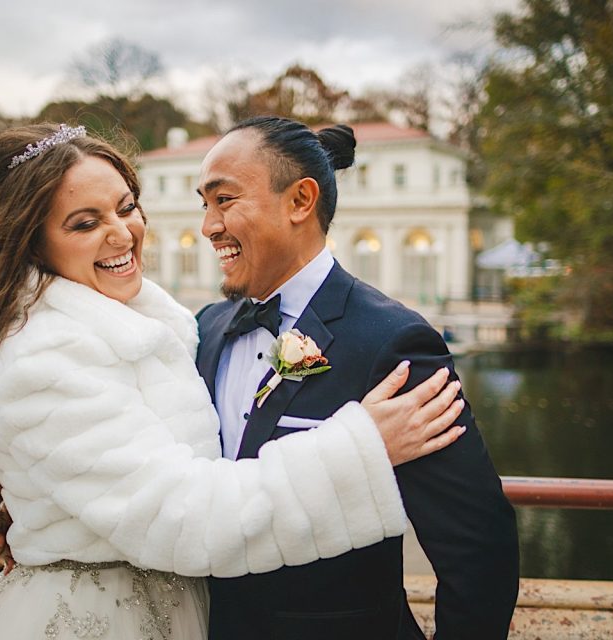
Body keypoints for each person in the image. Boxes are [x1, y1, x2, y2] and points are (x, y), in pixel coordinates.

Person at [0, 122, 466, 639]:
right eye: (84, 224)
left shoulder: (170, 327)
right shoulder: (45, 358)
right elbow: (184, 514)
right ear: (32, 243)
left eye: (126, 207)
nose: (121, 233)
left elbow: (470, 537)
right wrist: (360, 448)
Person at [195, 116, 520, 640]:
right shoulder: (205, 330)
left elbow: (479, 547)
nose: (208, 226)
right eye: (203, 204)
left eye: (224, 200)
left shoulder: (394, 342)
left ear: (301, 201)